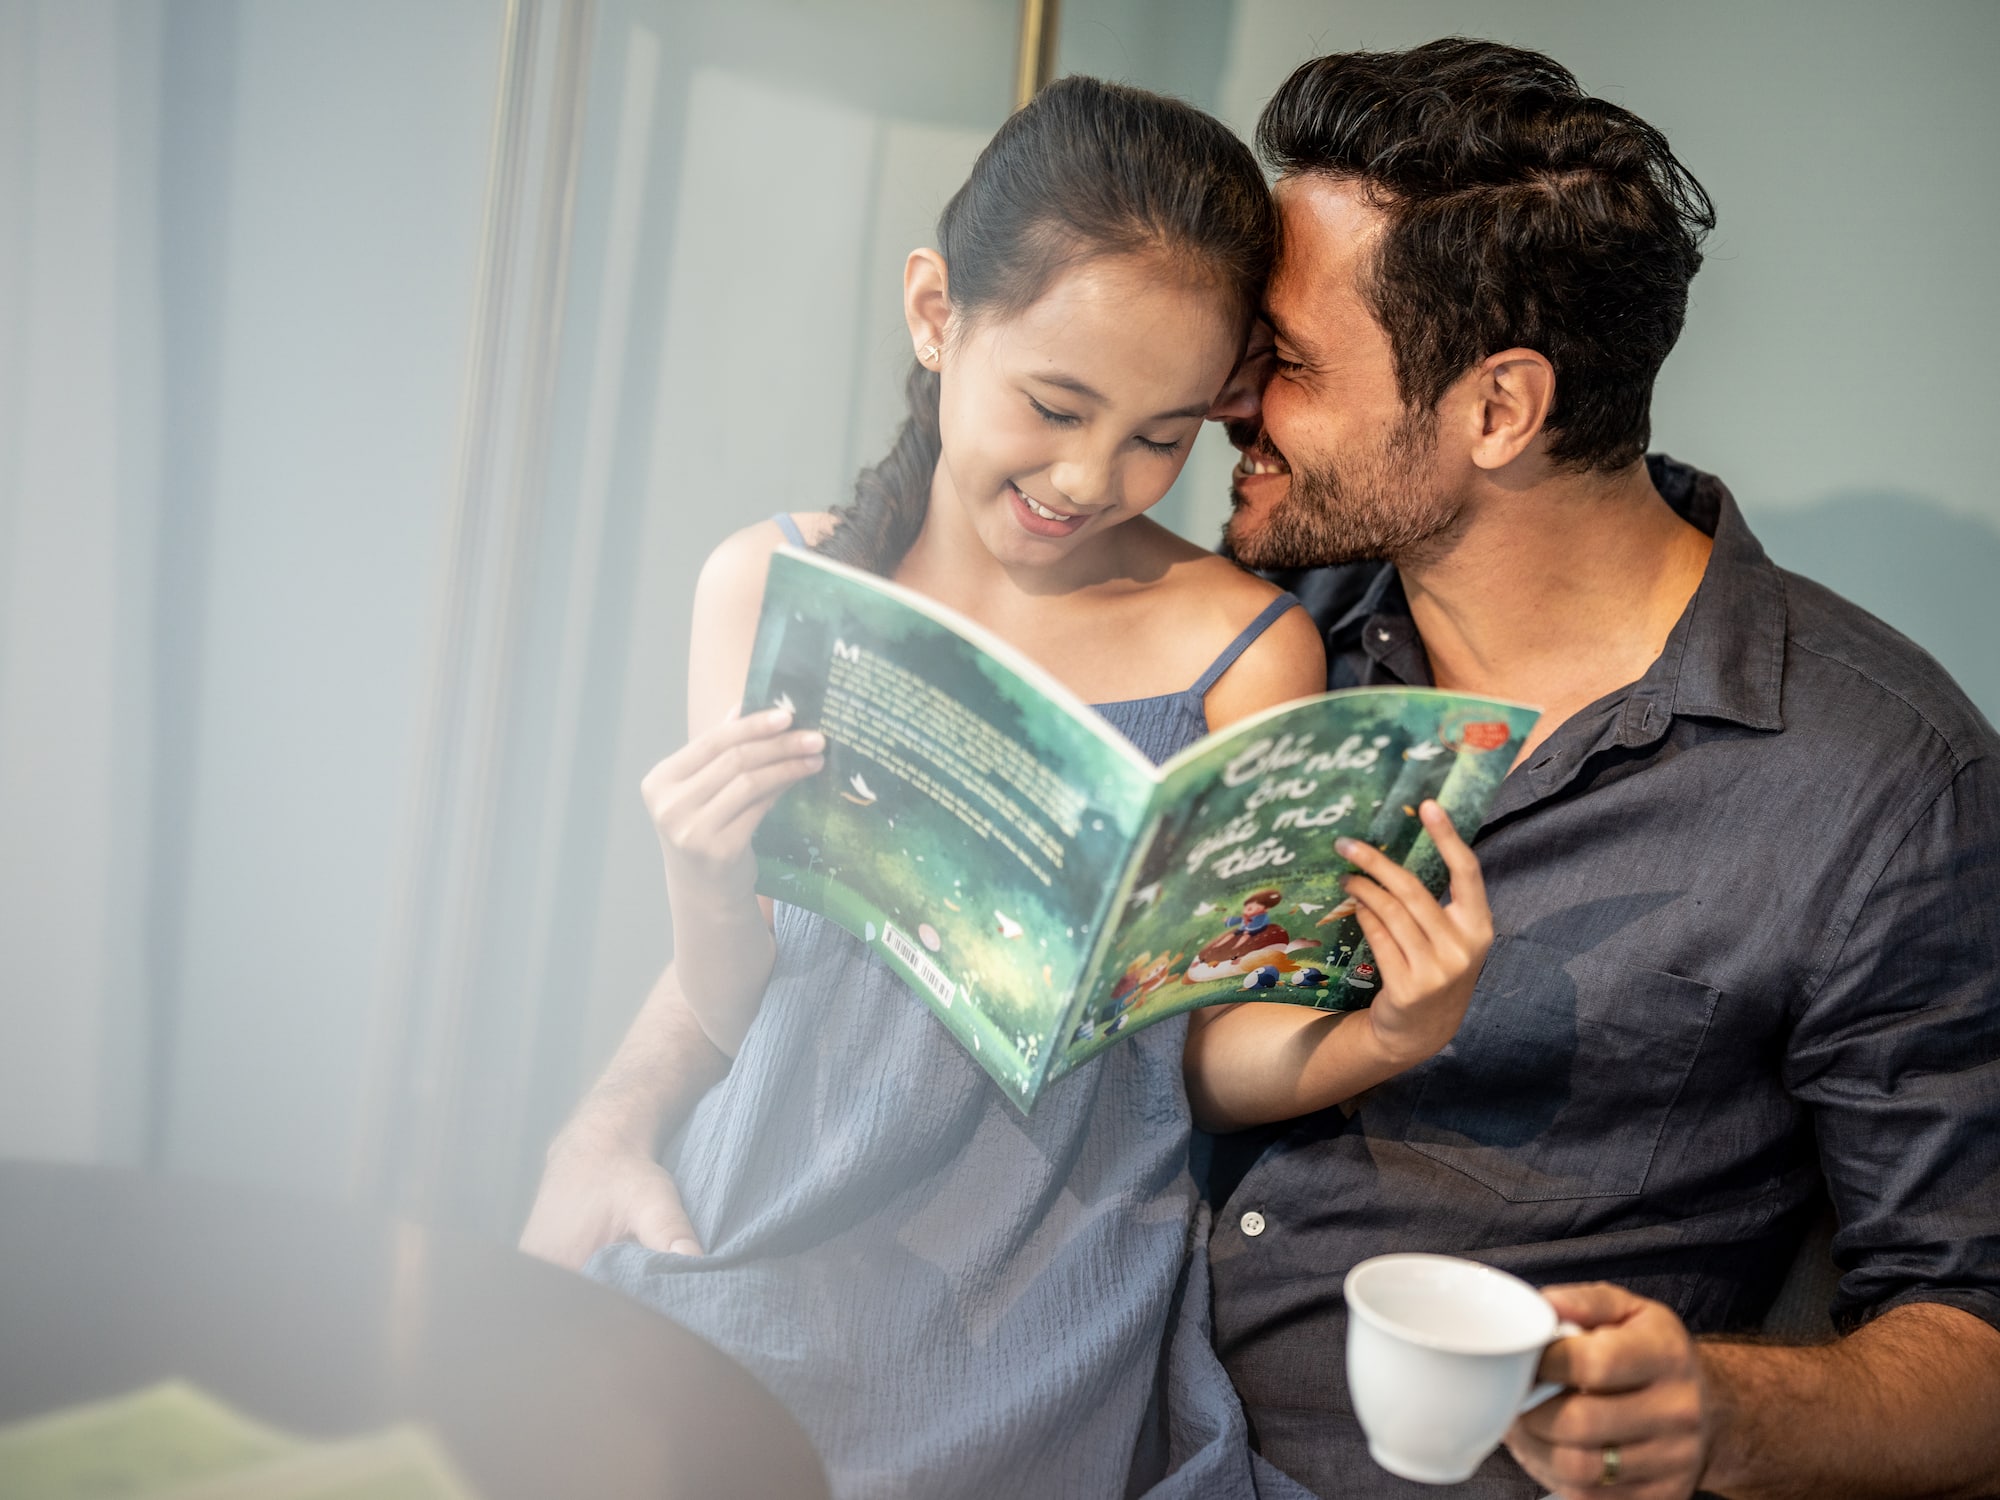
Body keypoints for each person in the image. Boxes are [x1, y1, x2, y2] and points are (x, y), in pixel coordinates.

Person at [526, 77, 1489, 1499]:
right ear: (935, 314)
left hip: (1039, 1296)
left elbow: (1199, 1063)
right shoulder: (770, 582)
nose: (1092, 477)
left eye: (1163, 435)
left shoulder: (1247, 654)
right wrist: (698, 881)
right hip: (763, 1233)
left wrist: (1387, 1033)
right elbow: (730, 995)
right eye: (1054, 404)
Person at [1195, 39, 2000, 1500]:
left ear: (1498, 409)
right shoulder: (1261, 640)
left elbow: (1981, 1338)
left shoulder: (1883, 787)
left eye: (1290, 364)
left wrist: (1722, 1411)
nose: (1227, 399)